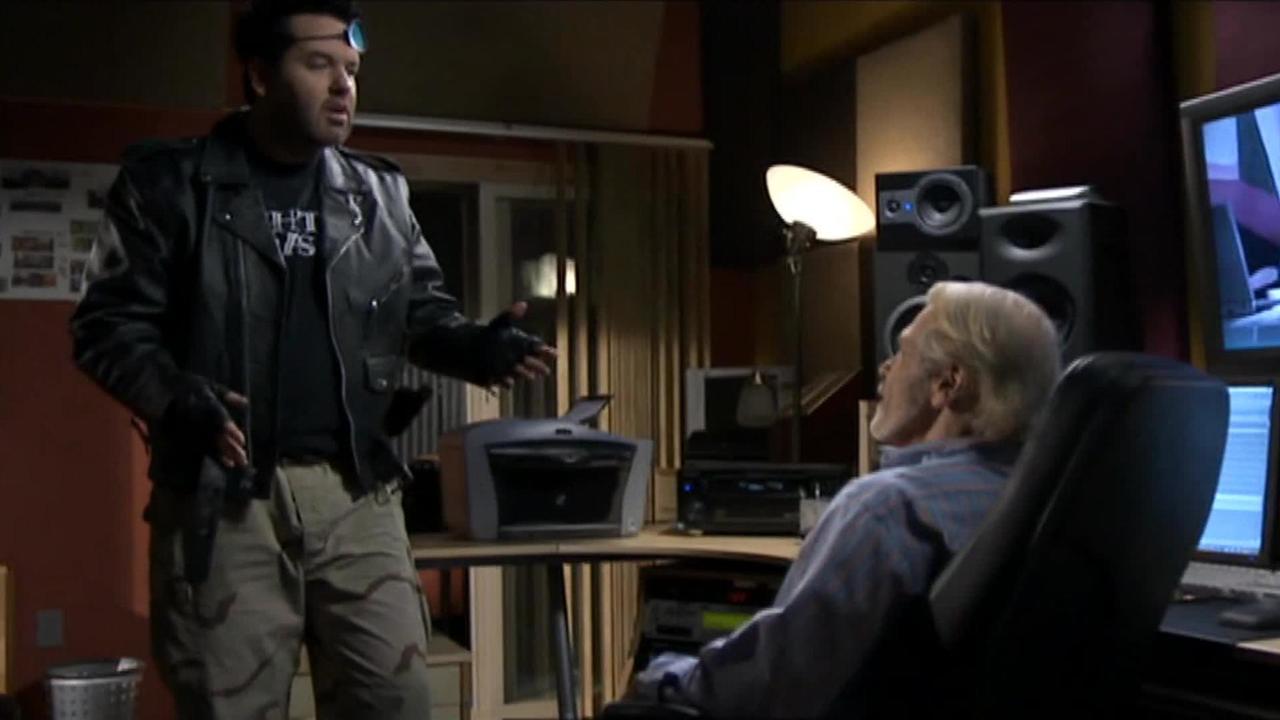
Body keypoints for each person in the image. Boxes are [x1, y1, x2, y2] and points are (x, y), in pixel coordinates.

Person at [69, 1, 555, 717]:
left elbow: (422, 316)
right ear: (261, 75)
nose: (343, 86)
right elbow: (106, 327)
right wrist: (174, 396)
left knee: (396, 700)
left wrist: (478, 348)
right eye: (319, 64)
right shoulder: (170, 183)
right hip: (225, 497)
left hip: (356, 493)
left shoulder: (378, 195)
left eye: (351, 69)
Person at [625, 281, 1061, 718]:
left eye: (902, 352)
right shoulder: (1050, 502)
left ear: (948, 383)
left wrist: (664, 675)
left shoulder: (888, 508)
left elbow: (777, 683)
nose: (885, 368)